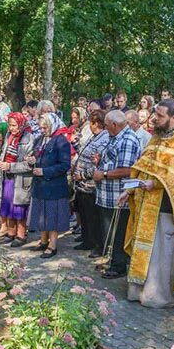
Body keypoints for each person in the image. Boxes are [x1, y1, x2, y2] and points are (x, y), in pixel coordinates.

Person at [122, 99, 174, 307]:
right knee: (144, 249)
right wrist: (132, 188)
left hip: (167, 210)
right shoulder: (156, 138)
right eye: (155, 114)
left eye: (161, 116)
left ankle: (158, 296)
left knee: (160, 256)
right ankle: (138, 291)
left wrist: (154, 183)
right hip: (146, 204)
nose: (155, 118)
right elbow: (144, 165)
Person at [93, 110, 142, 278]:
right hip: (107, 195)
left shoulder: (128, 139)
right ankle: (111, 259)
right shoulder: (115, 136)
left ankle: (118, 266)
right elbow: (112, 160)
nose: (105, 129)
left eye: (106, 126)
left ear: (114, 125)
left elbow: (128, 169)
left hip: (118, 195)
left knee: (118, 232)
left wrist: (104, 174)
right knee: (109, 231)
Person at [27, 113, 71, 259]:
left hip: (54, 185)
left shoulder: (61, 141)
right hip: (40, 184)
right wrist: (31, 160)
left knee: (52, 214)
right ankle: (43, 240)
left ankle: (53, 245)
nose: (43, 130)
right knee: (41, 213)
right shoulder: (40, 139)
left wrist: (45, 171)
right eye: (41, 127)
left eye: (45, 127)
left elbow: (65, 165)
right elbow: (35, 155)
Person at [72, 110, 110, 257]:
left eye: (92, 123)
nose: (90, 126)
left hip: (91, 184)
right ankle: (86, 239)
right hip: (82, 185)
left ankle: (97, 245)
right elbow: (83, 153)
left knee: (93, 216)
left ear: (97, 124)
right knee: (84, 214)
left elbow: (98, 163)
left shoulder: (104, 139)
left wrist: (83, 174)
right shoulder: (94, 137)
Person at [0, 112, 34, 247]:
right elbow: (4, 152)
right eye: (10, 125)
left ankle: (21, 234)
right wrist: (0, 163)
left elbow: (29, 164)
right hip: (8, 175)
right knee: (8, 204)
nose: (11, 128)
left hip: (21, 178)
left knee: (19, 206)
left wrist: (10, 166)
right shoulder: (9, 135)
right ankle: (10, 232)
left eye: (14, 125)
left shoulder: (28, 138)